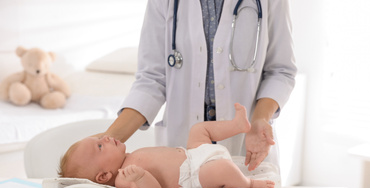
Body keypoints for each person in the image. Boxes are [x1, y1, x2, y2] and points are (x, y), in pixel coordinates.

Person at [99, 0, 297, 175]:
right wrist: (106, 142)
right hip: (181, 156)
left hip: (244, 149)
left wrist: (260, 119)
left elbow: (280, 71)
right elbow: (152, 79)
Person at [59, 103, 275, 188]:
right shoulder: (125, 179)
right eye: (100, 145)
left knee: (199, 129)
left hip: (193, 154)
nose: (107, 137)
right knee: (224, 170)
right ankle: (248, 184)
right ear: (104, 175)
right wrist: (141, 176)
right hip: (194, 176)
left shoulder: (128, 159)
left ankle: (237, 126)